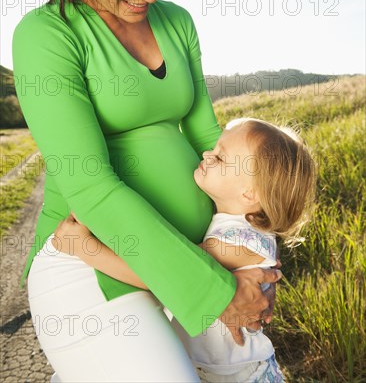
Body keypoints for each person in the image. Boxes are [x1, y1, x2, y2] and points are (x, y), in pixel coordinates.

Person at [11, 0, 282, 382]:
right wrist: (214, 288)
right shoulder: (45, 37)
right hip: (89, 261)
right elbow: (91, 187)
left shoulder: (177, 23)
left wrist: (253, 252)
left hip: (188, 259)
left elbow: (213, 139)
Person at [54, 117, 316, 382]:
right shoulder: (248, 228)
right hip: (218, 369)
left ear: (249, 194)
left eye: (221, 158)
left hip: (240, 376)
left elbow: (161, 275)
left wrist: (86, 249)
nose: (206, 154)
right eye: (215, 148)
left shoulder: (229, 243)